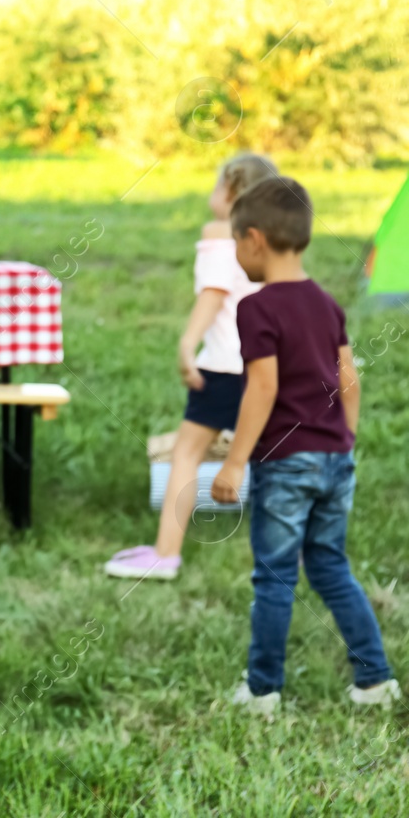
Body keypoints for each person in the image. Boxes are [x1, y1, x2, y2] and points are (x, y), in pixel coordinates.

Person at [209, 177, 399, 715]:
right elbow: (349, 381)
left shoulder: (257, 309)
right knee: (331, 567)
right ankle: (375, 680)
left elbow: (263, 389)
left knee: (274, 575)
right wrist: (344, 441)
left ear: (255, 240)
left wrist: (234, 462)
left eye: (235, 244)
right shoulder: (326, 303)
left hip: (286, 464)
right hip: (336, 459)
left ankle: (263, 690)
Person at [105, 153, 278, 580]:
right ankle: (289, 555)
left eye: (216, 184)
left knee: (187, 452)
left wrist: (187, 342)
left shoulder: (219, 232)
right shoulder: (271, 241)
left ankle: (166, 554)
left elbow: (214, 292)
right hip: (265, 369)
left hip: (222, 367)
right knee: (271, 458)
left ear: (232, 191)